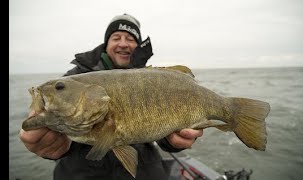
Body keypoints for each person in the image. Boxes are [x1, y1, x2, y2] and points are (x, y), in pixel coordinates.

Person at [19, 13, 204, 180]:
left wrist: (175, 142)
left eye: (130, 39)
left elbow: (164, 130)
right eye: (116, 37)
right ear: (106, 44)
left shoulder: (154, 80)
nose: (123, 43)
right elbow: (66, 127)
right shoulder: (74, 79)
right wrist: (56, 146)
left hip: (144, 171)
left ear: (137, 47)